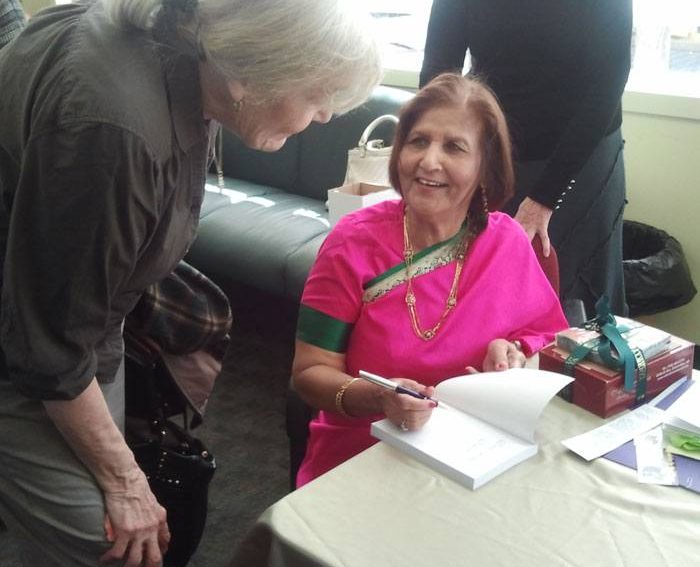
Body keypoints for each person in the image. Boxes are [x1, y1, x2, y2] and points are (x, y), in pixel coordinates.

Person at [0, 0, 381, 564]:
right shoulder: (115, 130)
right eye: (318, 95)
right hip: (32, 347)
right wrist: (125, 481)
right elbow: (50, 351)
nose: (326, 116)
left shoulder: (177, 57)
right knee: (113, 547)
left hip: (76, 330)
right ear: (252, 72)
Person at [292, 73, 568, 488]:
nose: (428, 161)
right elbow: (310, 373)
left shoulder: (506, 242)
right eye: (418, 141)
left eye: (454, 147)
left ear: (485, 167)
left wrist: (512, 351)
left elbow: (549, 339)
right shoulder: (351, 243)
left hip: (477, 456)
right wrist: (379, 398)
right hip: (365, 454)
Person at [420, 0, 633, 317]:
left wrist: (545, 197)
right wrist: (437, 156)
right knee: (483, 294)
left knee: (573, 305)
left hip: (579, 156)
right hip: (490, 151)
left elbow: (607, 83)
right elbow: (438, 71)